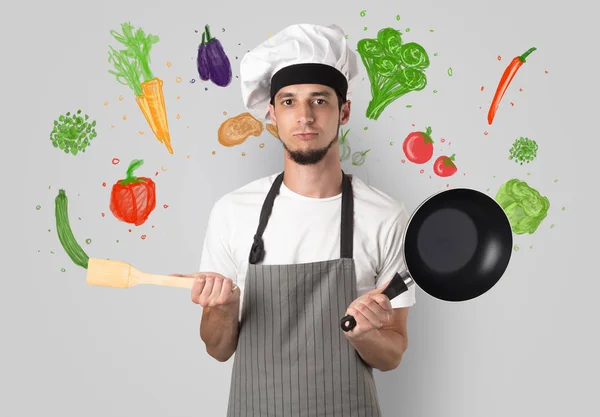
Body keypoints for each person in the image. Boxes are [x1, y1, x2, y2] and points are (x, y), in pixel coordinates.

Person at [174, 23, 416, 417]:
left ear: (345, 110)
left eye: (319, 100)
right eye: (288, 102)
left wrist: (366, 333)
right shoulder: (234, 211)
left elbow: (392, 355)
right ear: (272, 114)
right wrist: (222, 308)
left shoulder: (386, 216)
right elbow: (218, 349)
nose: (304, 116)